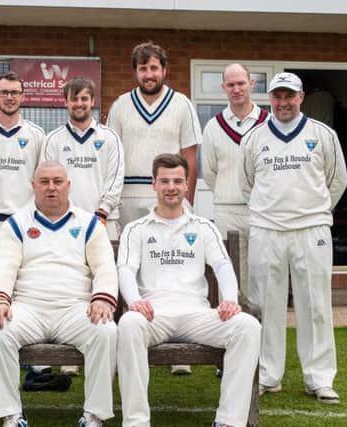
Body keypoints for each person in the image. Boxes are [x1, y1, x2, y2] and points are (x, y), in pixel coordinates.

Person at [117, 153, 260, 427]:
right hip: (153, 315)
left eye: (178, 181)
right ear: (154, 184)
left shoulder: (203, 227)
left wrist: (230, 300)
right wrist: (134, 301)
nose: (171, 187)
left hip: (197, 314)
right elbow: (125, 269)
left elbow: (222, 266)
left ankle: (229, 421)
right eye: (165, 181)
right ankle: (136, 422)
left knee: (248, 326)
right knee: (129, 323)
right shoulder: (135, 229)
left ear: (186, 185)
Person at [0, 160, 118, 427]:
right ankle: (12, 415)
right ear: (33, 186)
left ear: (69, 186)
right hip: (28, 309)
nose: (51, 188)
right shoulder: (16, 224)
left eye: (57, 182)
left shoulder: (90, 224)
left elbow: (104, 268)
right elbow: (4, 268)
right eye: (44, 182)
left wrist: (101, 297)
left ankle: (94, 416)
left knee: (106, 331)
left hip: (75, 309)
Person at [240, 72, 347, 403]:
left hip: (311, 229)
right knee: (266, 303)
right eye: (277, 96)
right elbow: (247, 185)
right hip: (267, 230)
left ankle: (319, 378)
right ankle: (268, 374)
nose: (283, 102)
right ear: (269, 99)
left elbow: (337, 180)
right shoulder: (255, 138)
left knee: (315, 304)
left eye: (290, 96)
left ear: (301, 97)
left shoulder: (323, 135)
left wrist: (313, 211)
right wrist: (271, 212)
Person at [107, 40, 201, 376]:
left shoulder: (182, 104)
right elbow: (112, 152)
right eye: (143, 68)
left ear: (164, 69)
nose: (149, 74)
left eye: (154, 67)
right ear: (135, 71)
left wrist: (186, 195)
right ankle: (127, 338)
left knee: (175, 268)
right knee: (128, 268)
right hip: (129, 195)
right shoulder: (120, 105)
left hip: (171, 195)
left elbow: (190, 152)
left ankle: (181, 349)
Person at [201, 63, 268, 305]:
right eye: (231, 84)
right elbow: (209, 172)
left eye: (241, 83)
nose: (237, 89)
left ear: (251, 84)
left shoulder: (268, 123)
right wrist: (228, 192)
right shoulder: (213, 126)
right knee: (230, 278)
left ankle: (263, 337)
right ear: (224, 88)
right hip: (226, 210)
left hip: (261, 212)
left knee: (262, 277)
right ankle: (234, 335)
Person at [41, 76, 124, 240]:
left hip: (104, 221)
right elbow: (47, 181)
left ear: (93, 101)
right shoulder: (53, 139)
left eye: (84, 98)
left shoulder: (110, 137)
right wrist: (59, 213)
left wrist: (103, 211)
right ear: (66, 102)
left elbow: (116, 178)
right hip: (65, 221)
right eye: (74, 99)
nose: (79, 103)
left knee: (104, 266)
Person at [0, 71, 45, 239]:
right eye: (4, 92)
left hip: (24, 220)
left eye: (14, 93)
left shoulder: (37, 135)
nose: (9, 97)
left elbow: (41, 179)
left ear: (23, 97)